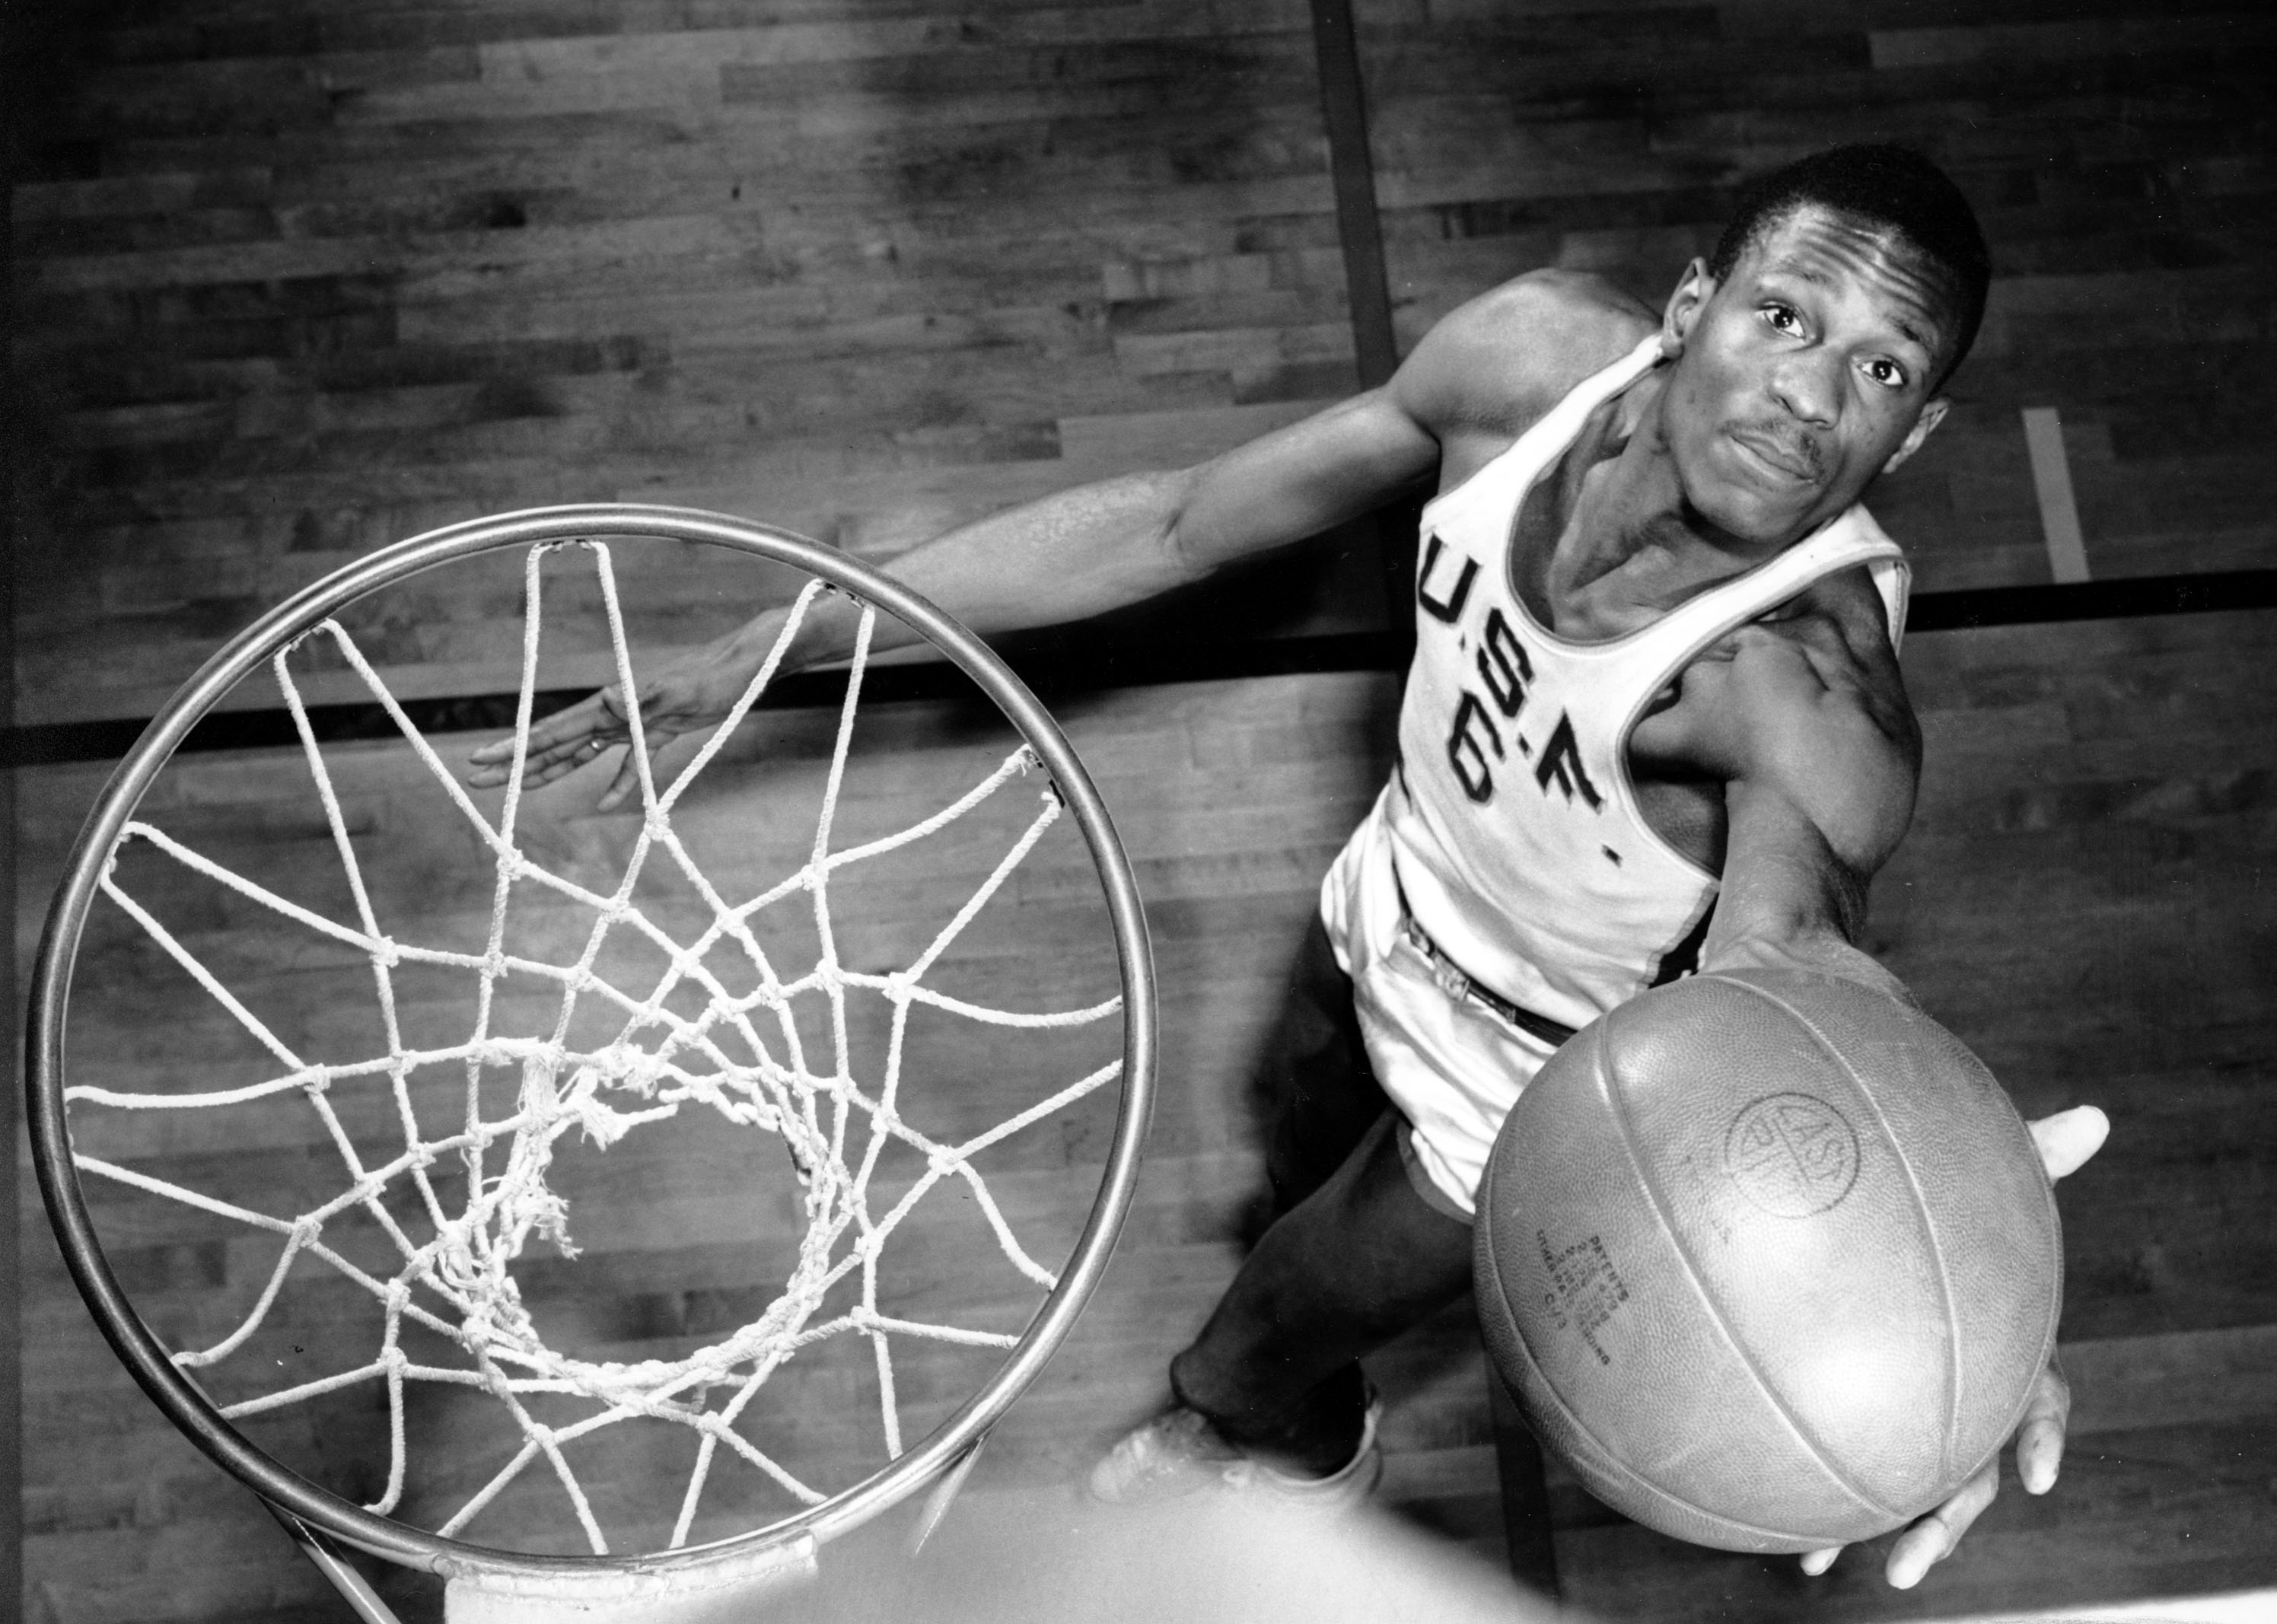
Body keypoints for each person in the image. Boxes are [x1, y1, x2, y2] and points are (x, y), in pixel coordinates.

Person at [469, 144, 2107, 1590]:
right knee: (1291, 1114)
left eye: (1882, 369)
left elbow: (1797, 965)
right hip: (1396, 890)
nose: (1811, 395)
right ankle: (1293, 1385)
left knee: (1254, 1331)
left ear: (1917, 428)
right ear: (1692, 301)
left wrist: (1943, 1301)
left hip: (1538, 1083)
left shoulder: (1803, 693)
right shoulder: (1523, 360)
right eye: (1786, 320)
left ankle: (1278, 1443)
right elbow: (1178, 521)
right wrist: (810, 622)